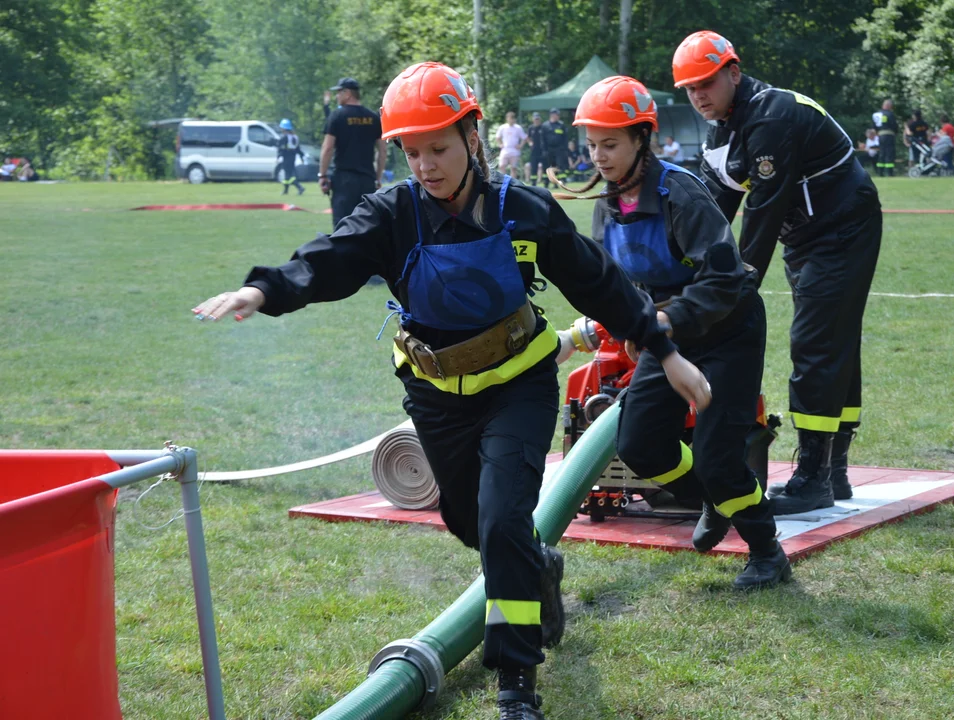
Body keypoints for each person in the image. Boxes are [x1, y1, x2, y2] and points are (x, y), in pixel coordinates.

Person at [192, 61, 709, 720]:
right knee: (473, 524)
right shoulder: (392, 214)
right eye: (411, 152)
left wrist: (664, 353)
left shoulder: (525, 211)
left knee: (500, 522)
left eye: (438, 147)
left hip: (518, 389)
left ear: (472, 134)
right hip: (436, 400)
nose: (425, 165)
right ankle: (533, 566)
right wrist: (262, 289)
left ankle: (516, 684)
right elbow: (328, 258)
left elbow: (601, 284)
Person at [551, 75, 790, 587]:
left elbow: (727, 278)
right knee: (639, 444)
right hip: (670, 341)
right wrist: (578, 336)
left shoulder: (681, 194)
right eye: (591, 144)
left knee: (718, 457)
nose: (598, 156)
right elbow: (618, 290)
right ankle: (714, 499)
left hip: (729, 331)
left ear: (642, 138)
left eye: (610, 143)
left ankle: (767, 551)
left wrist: (664, 321)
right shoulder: (608, 208)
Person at [674, 30, 883, 516]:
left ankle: (813, 478)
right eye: (689, 88)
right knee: (834, 340)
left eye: (706, 82)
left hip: (841, 228)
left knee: (816, 342)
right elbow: (714, 207)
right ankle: (833, 471)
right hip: (807, 233)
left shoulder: (770, 116)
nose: (698, 95)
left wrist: (735, 285)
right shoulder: (721, 128)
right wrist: (682, 267)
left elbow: (762, 213)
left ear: (733, 72)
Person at [319, 77, 387, 227]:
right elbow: (382, 151)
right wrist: (378, 177)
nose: (337, 96)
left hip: (344, 180)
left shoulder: (337, 116)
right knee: (366, 225)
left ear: (347, 93)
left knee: (343, 226)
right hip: (367, 180)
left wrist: (322, 175)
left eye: (338, 92)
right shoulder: (373, 118)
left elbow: (328, 148)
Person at [275, 119, 305, 196]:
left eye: (282, 127)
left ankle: (300, 187)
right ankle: (286, 190)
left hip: (286, 157)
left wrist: (278, 156)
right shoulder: (295, 137)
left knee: (289, 175)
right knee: (287, 174)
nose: (281, 129)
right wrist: (302, 157)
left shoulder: (284, 138)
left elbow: (280, 148)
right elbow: (298, 149)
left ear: (284, 128)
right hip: (293, 157)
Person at [495, 110, 528, 180]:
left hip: (514, 150)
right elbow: (497, 137)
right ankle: (503, 181)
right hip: (505, 150)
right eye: (510, 118)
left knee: (513, 167)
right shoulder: (503, 127)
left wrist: (520, 145)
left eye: (512, 118)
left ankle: (512, 182)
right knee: (502, 165)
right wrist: (500, 144)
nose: (511, 120)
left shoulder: (518, 128)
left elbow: (524, 138)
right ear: (507, 118)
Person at [540, 108, 568, 188]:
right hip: (548, 150)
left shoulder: (561, 125)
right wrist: (544, 150)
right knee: (549, 166)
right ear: (552, 115)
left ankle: (562, 182)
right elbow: (542, 139)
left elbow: (565, 138)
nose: (557, 116)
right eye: (556, 115)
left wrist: (565, 149)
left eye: (558, 115)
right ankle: (547, 182)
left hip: (559, 149)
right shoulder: (545, 125)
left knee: (559, 166)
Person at [872, 99, 898, 176]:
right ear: (888, 106)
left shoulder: (876, 114)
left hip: (880, 135)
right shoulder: (890, 114)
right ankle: (889, 172)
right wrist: (895, 132)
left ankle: (880, 172)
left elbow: (874, 126)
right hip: (889, 135)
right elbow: (894, 125)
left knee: (882, 153)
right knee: (889, 153)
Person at [525, 112, 547, 185]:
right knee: (534, 167)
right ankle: (533, 182)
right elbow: (527, 137)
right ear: (533, 120)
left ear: (540, 119)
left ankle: (546, 182)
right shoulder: (531, 128)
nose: (536, 120)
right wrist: (530, 143)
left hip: (542, 150)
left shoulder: (543, 127)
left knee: (545, 167)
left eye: (538, 119)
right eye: (535, 119)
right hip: (534, 151)